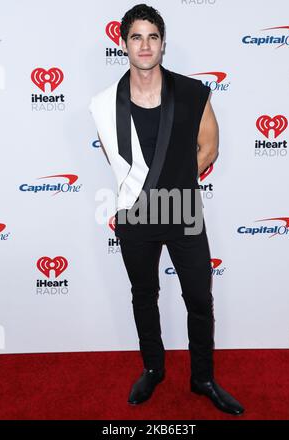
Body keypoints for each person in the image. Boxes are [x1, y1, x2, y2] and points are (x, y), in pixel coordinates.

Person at [89, 3, 244, 416]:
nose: (145, 45)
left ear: (162, 44)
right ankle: (153, 369)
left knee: (198, 296)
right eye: (136, 36)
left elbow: (210, 148)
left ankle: (203, 378)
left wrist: (174, 181)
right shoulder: (104, 105)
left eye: (152, 37)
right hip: (136, 214)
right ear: (123, 43)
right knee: (144, 295)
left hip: (183, 209)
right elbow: (115, 161)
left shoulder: (193, 93)